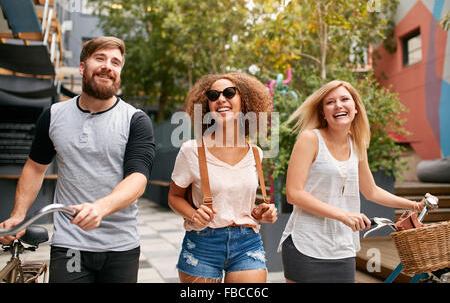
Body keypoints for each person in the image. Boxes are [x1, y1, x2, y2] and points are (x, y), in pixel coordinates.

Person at [0, 36, 155, 283]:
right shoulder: (53, 115)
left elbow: (137, 178)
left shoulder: (135, 120)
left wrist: (100, 208)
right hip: (70, 242)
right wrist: (19, 214)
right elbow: (35, 168)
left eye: (116, 62)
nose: (108, 66)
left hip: (120, 245)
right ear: (83, 67)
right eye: (100, 58)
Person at [278, 80, 437, 283]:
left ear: (355, 109)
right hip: (306, 244)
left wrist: (414, 205)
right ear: (323, 113)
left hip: (343, 247)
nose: (338, 105)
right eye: (330, 102)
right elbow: (294, 193)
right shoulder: (310, 139)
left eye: (345, 99)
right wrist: (343, 215)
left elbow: (371, 191)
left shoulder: (357, 144)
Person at [168, 72, 278, 283]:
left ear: (244, 101)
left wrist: (261, 212)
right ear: (207, 105)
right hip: (203, 245)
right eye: (213, 95)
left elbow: (242, 201)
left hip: (247, 242)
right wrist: (193, 214)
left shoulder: (256, 152)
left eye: (229, 92)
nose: (221, 99)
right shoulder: (191, 150)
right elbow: (174, 197)